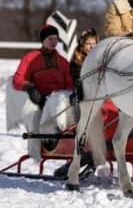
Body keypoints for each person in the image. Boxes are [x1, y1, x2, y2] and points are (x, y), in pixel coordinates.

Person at [53, 28, 99, 179]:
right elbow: (76, 77)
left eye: (94, 44)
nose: (91, 47)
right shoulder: (78, 58)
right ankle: (83, 157)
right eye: (88, 44)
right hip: (82, 95)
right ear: (82, 45)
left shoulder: (100, 57)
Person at [13, 24, 74, 109]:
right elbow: (17, 79)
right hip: (39, 101)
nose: (53, 42)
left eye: (56, 39)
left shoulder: (63, 62)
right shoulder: (30, 58)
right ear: (43, 40)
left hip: (59, 102)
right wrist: (29, 87)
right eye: (50, 39)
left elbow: (69, 85)